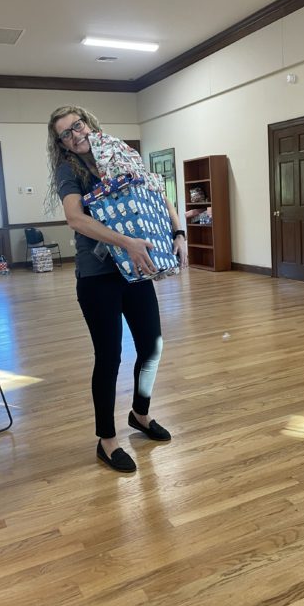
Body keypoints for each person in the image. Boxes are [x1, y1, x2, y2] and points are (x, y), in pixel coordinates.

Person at [46, 105, 188, 472]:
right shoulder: (69, 170)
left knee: (152, 346)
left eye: (77, 126)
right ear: (60, 143)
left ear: (90, 123)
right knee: (109, 357)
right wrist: (126, 241)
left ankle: (139, 414)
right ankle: (106, 440)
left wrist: (178, 231)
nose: (75, 135)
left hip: (135, 270)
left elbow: (157, 192)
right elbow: (75, 218)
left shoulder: (120, 154)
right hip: (98, 277)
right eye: (65, 133)